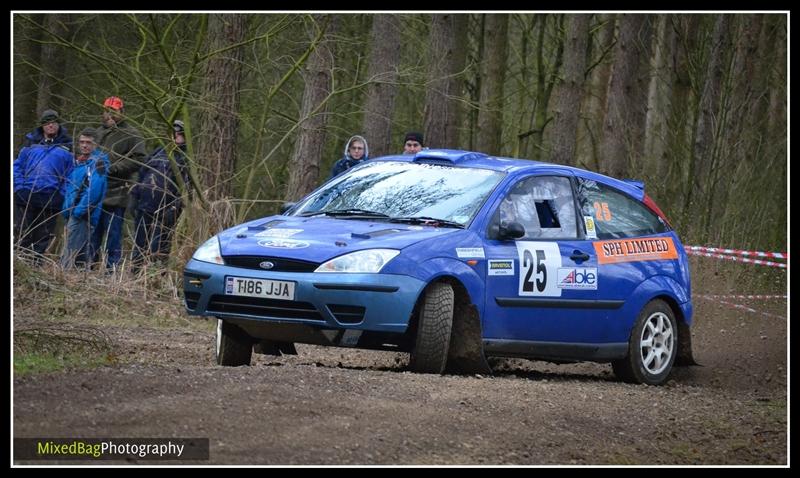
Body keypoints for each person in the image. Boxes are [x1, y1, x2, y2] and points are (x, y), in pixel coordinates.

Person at [90, 96, 147, 270]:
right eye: (107, 111)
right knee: (93, 233)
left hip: (118, 192)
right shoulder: (97, 133)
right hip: (94, 191)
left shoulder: (132, 134)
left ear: (122, 112)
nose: (110, 115)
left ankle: (111, 270)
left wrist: (114, 168)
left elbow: (139, 160)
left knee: (113, 234)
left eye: (114, 112)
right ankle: (89, 267)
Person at [131, 119, 190, 270]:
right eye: (174, 134)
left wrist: (174, 207)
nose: (176, 137)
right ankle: (135, 272)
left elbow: (186, 189)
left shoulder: (185, 159)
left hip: (165, 210)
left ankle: (155, 275)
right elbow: (142, 174)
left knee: (159, 246)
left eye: (179, 134)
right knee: (140, 242)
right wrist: (134, 197)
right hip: (145, 206)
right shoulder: (157, 152)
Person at [13, 116, 74, 259]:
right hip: (26, 195)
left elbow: (71, 175)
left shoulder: (67, 148)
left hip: (51, 199)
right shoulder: (30, 144)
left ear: (58, 125)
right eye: (47, 123)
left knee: (43, 238)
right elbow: (17, 167)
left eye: (53, 123)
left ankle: (36, 267)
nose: (50, 126)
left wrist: (61, 194)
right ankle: (20, 265)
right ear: (42, 126)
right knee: (22, 234)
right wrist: (19, 187)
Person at [60, 128, 110, 269]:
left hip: (82, 216)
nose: (84, 145)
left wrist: (79, 211)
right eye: (81, 142)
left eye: (88, 142)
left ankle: (63, 283)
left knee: (68, 257)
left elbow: (94, 191)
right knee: (79, 258)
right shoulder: (80, 163)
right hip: (72, 212)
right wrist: (67, 209)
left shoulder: (97, 163)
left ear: (95, 144)